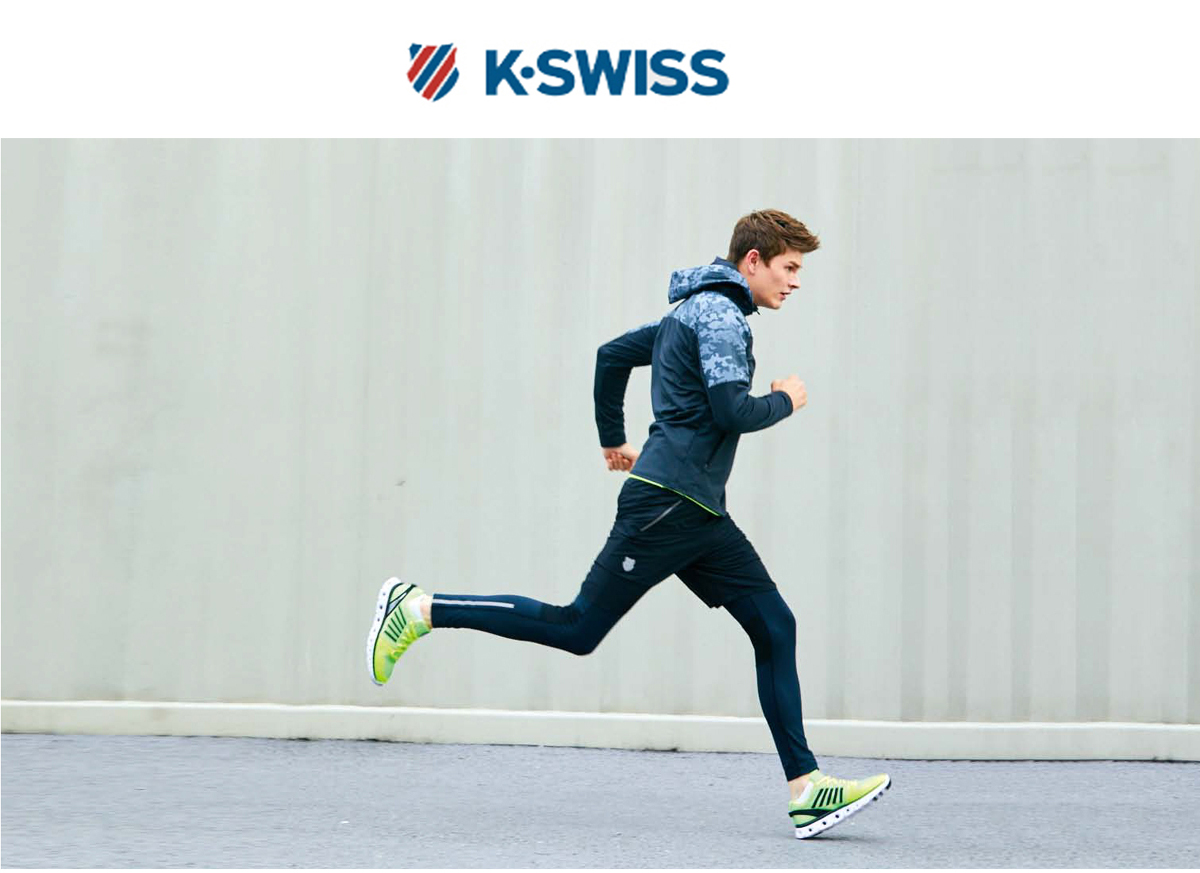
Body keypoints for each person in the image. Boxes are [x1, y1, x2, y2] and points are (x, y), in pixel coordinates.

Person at [366, 209, 890, 839]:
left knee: (775, 625)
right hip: (669, 506)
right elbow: (733, 410)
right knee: (577, 627)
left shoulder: (689, 312)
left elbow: (611, 355)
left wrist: (613, 440)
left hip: (697, 510)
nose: (795, 281)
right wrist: (786, 399)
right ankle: (419, 609)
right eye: (789, 267)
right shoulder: (721, 315)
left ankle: (806, 791)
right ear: (753, 261)